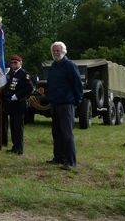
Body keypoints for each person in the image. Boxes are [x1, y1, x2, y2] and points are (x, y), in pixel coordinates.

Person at [46, 41, 83, 171]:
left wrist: (77, 101)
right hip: (55, 104)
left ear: (64, 51)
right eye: (54, 51)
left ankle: (70, 161)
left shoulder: (70, 66)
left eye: (58, 51)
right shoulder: (54, 66)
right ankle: (59, 157)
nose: (56, 53)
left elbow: (78, 84)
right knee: (56, 132)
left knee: (67, 133)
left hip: (67, 104)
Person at [3, 55, 33, 155]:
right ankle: (14, 146)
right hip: (11, 104)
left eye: (16, 63)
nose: (13, 64)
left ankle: (19, 148)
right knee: (13, 127)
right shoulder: (12, 74)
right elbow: (9, 87)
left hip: (19, 104)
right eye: (12, 63)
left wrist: (17, 95)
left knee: (18, 128)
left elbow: (29, 88)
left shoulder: (24, 74)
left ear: (20, 63)